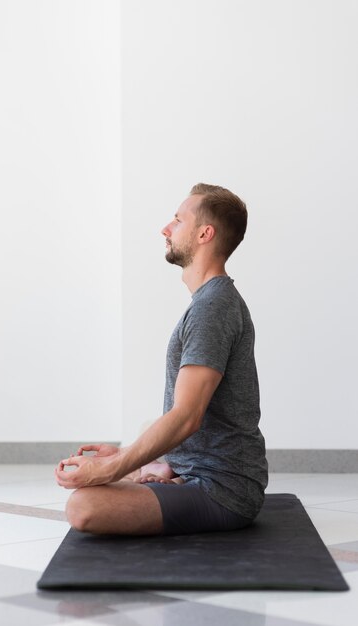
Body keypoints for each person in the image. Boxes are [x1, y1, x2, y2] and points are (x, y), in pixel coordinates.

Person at [55, 183, 268, 535]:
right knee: (145, 429)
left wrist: (112, 469)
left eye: (177, 220)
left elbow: (187, 417)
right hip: (199, 468)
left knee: (83, 507)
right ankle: (162, 472)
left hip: (223, 490)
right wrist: (128, 456)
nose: (165, 229)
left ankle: (158, 475)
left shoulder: (212, 308)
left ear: (204, 233)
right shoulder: (210, 301)